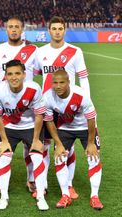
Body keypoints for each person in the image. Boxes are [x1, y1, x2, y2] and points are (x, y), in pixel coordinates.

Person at [33, 16, 91, 199]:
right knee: (45, 146)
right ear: (49, 31)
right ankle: (42, 185)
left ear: (65, 30)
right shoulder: (40, 52)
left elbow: (83, 78)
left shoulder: (75, 51)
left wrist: (86, 101)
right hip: (47, 106)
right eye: (54, 28)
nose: (57, 31)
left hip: (69, 108)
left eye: (60, 28)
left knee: (69, 148)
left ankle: (69, 185)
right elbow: (33, 76)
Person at [0, 60, 49, 210]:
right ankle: (3, 197)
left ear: (24, 75)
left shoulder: (34, 88)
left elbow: (39, 115)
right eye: (10, 74)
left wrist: (36, 139)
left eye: (17, 73)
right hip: (9, 127)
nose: (14, 77)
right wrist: (3, 140)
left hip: (31, 127)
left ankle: (41, 196)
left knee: (37, 156)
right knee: (4, 158)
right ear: (5, 76)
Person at [43, 69, 103, 210]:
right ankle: (65, 195)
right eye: (55, 83)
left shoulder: (81, 95)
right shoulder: (47, 97)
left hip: (86, 128)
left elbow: (91, 119)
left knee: (93, 158)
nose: (58, 86)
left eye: (62, 82)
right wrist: (57, 143)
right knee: (59, 158)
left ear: (69, 82)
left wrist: (90, 143)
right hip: (65, 129)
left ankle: (94, 196)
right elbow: (49, 121)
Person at [0, 16, 38, 194]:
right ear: (6, 30)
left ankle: (32, 179)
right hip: (5, 108)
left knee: (31, 147)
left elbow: (38, 72)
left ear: (22, 29)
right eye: (10, 27)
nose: (13, 29)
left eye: (17, 27)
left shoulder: (33, 50)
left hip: (28, 108)